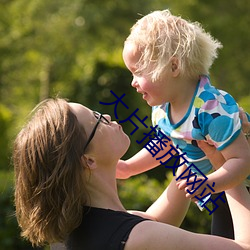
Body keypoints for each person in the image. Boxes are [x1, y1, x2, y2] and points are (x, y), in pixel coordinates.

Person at [13, 98, 250, 250]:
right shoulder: (138, 238)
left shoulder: (72, 235)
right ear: (88, 160)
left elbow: (155, 221)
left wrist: (191, 136)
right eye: (97, 120)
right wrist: (227, 164)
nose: (106, 116)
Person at [120, 9, 250, 239]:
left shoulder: (210, 109)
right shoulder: (162, 109)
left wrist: (209, 184)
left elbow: (242, 160)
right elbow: (167, 144)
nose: (133, 82)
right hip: (219, 189)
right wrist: (129, 167)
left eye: (138, 72)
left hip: (239, 188)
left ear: (173, 67)